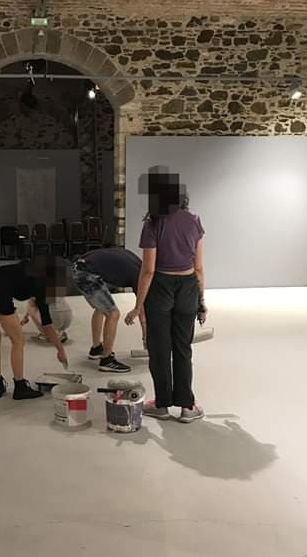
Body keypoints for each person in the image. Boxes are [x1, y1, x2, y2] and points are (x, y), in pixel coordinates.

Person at [124, 169, 207, 423]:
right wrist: (201, 302)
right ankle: (187, 407)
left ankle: (161, 405)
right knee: (183, 348)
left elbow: (148, 270)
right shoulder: (194, 220)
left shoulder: (153, 223)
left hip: (160, 287)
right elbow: (199, 267)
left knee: (160, 349)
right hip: (188, 286)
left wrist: (138, 306)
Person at [0, 255, 70, 400]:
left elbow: (30, 297)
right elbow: (47, 324)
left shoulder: (30, 268)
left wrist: (24, 317)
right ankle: (20, 386)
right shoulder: (44, 286)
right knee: (18, 341)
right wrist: (60, 350)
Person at [71, 247, 146, 373]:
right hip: (86, 273)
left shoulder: (137, 263)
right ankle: (107, 360)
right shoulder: (140, 276)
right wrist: (146, 338)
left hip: (80, 265)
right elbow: (143, 312)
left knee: (101, 308)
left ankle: (96, 349)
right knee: (113, 313)